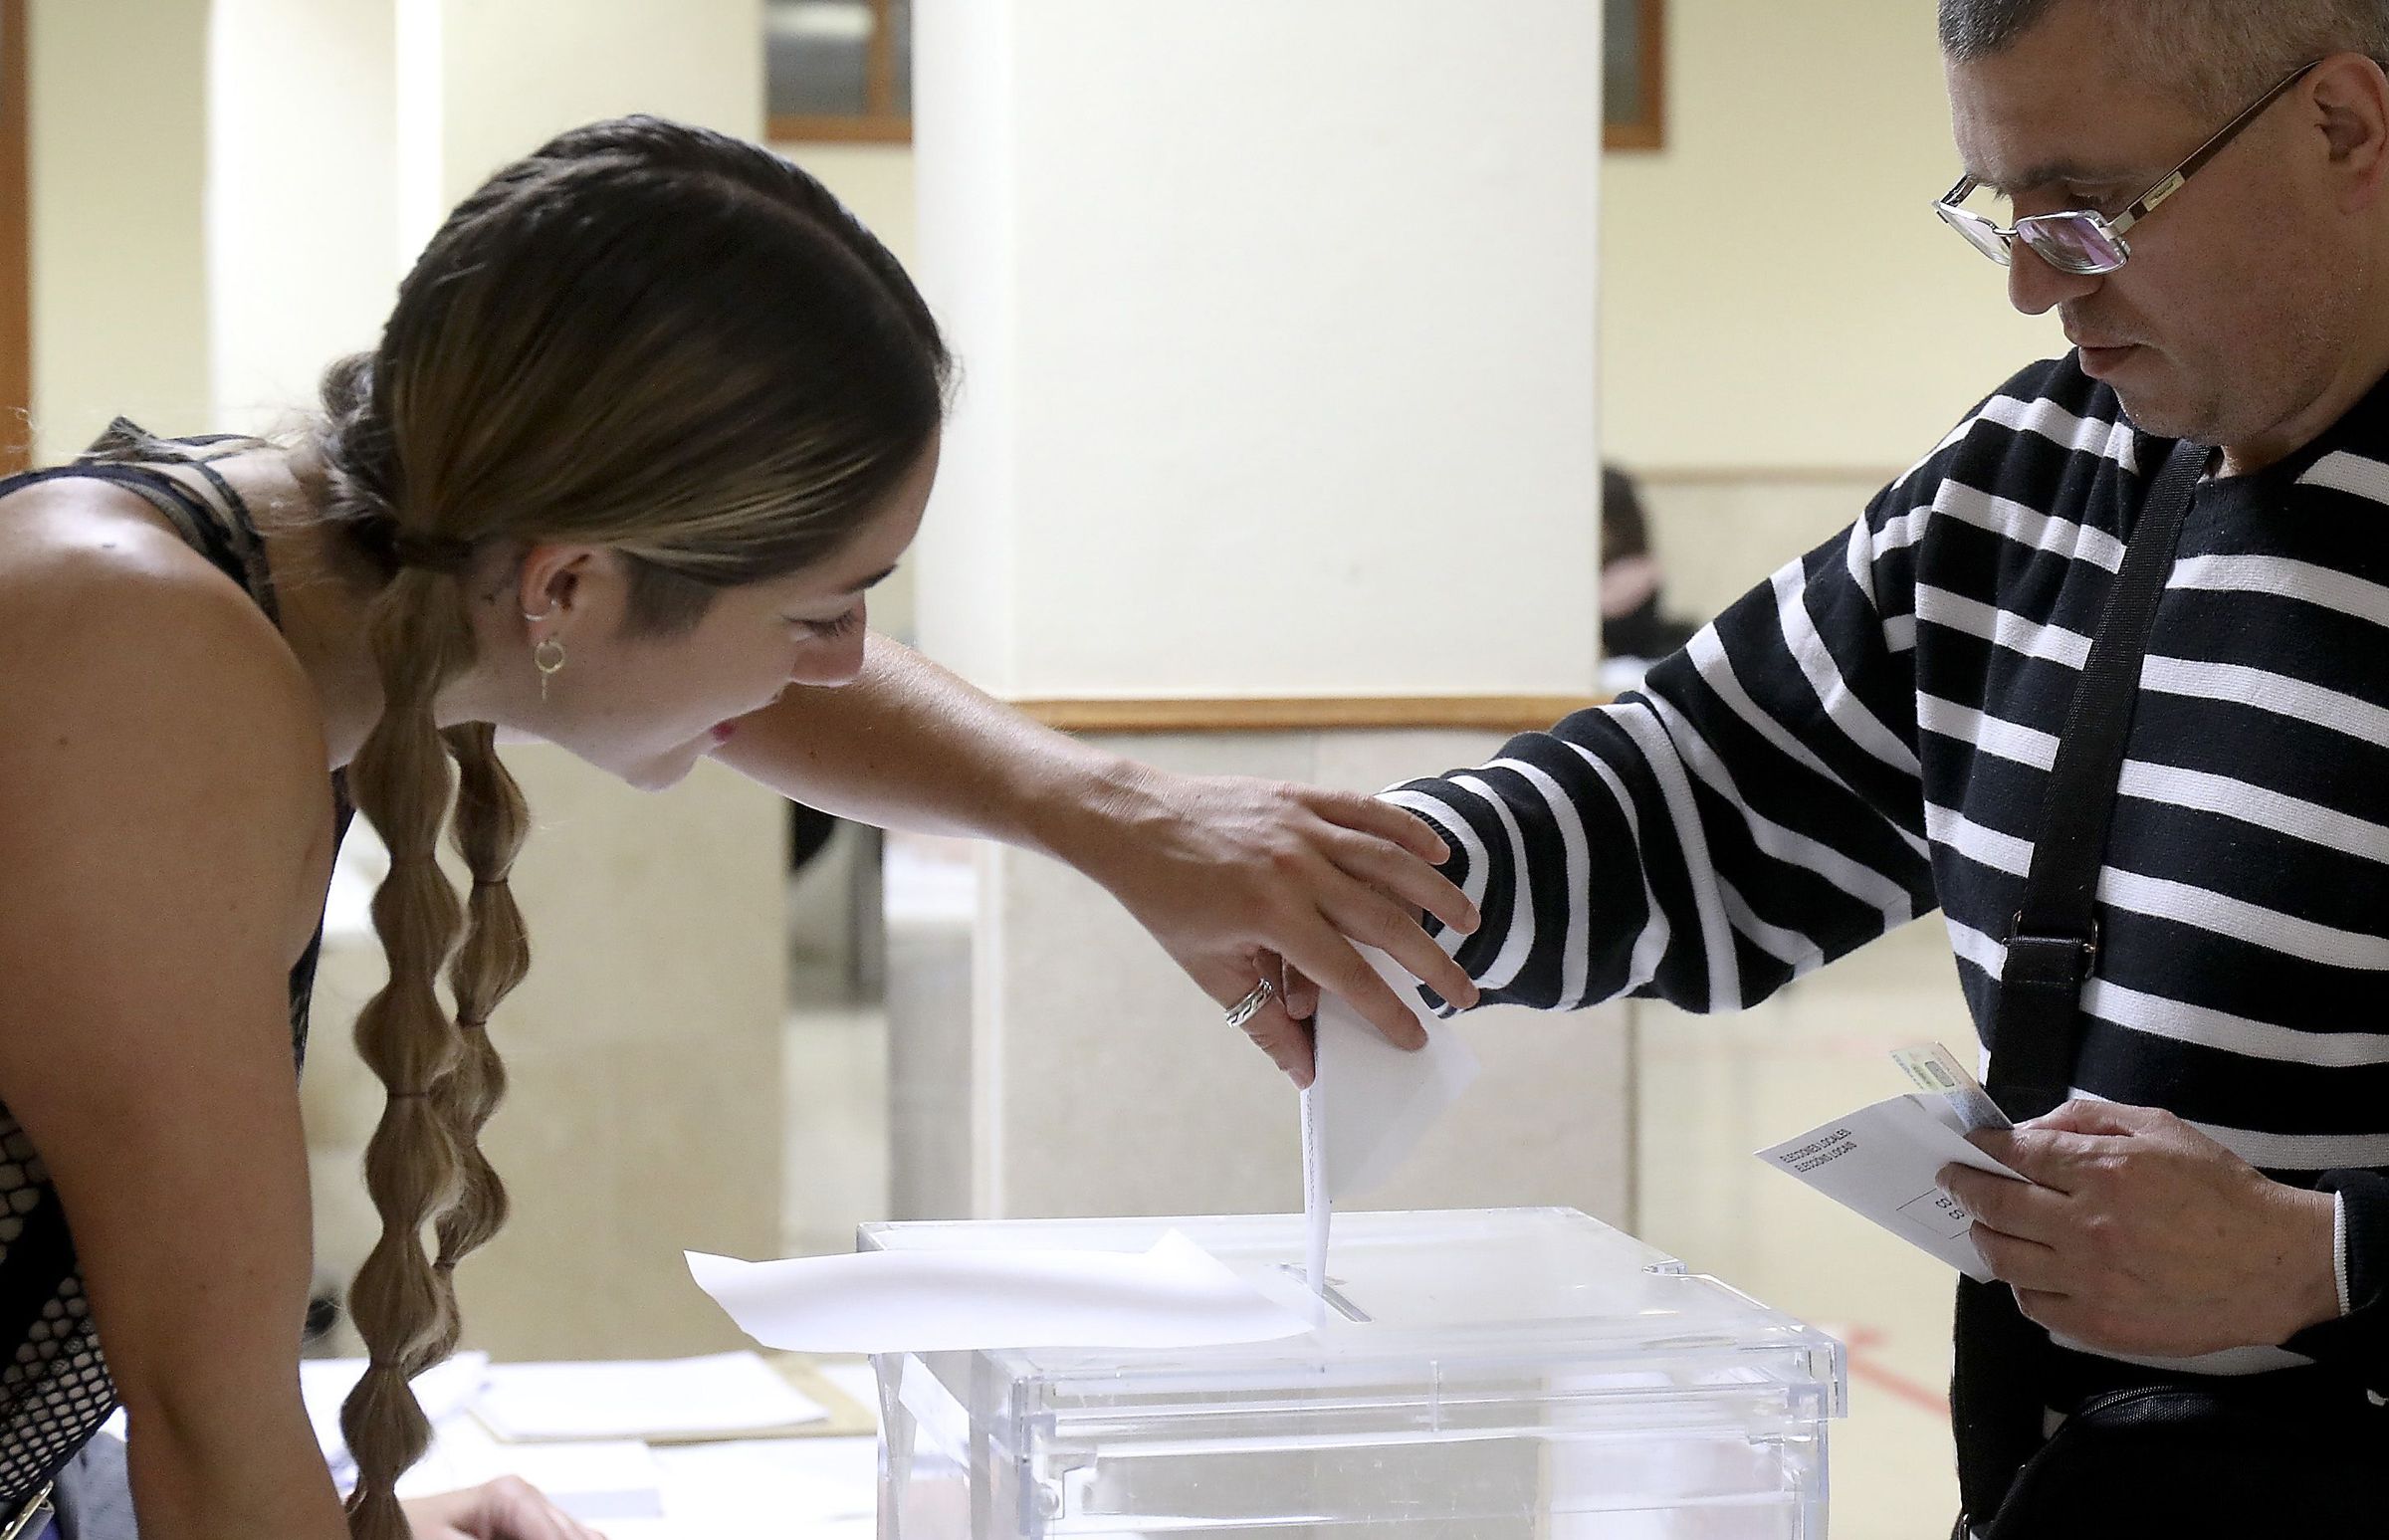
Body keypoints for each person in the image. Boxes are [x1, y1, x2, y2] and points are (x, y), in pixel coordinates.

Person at [734, 0, 2389, 1528]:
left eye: (2090, 205)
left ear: (2340, 123)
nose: (2036, 280)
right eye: (1999, 207)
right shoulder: (2037, 476)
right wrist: (1389, 879)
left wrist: (2323, 1261)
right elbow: (1706, 792)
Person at [0, 117, 1475, 1539]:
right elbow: (207, 1418)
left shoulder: (308, 560)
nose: (841, 663)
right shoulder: (130, 658)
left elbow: (731, 659)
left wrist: (1121, 823)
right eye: (824, 610)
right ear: (567, 588)